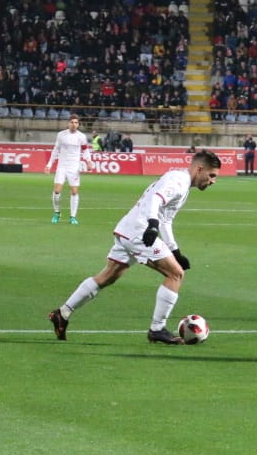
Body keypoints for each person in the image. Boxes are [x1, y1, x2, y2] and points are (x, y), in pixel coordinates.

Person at [48, 150, 222, 345]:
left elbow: (166, 220)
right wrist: (152, 225)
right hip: (139, 230)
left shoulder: (181, 183)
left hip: (128, 229)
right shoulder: (179, 181)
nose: (213, 180)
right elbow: (155, 199)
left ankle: (62, 313)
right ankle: (157, 329)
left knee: (108, 276)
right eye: (212, 175)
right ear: (199, 169)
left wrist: (175, 250)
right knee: (175, 274)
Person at [47, 114, 89, 225]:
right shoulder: (61, 135)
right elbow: (55, 150)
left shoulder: (81, 137)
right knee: (57, 190)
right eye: (72, 122)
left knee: (74, 192)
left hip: (74, 167)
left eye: (76, 123)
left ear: (78, 124)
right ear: (68, 123)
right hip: (62, 166)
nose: (74, 124)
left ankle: (73, 216)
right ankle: (57, 212)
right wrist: (49, 164)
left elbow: (85, 150)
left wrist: (88, 161)